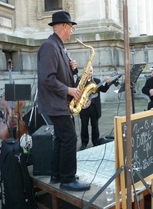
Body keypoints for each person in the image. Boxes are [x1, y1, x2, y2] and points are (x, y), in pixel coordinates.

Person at [37, 11, 90, 192]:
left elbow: (61, 75)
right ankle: (67, 179)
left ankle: (57, 173)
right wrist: (68, 90)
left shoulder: (59, 46)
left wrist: (73, 71)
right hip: (56, 103)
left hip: (59, 103)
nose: (72, 32)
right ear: (65, 27)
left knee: (61, 138)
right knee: (69, 138)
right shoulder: (49, 47)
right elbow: (47, 79)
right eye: (71, 28)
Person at [79, 66, 112, 150]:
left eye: (91, 71)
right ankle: (84, 142)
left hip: (94, 107)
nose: (89, 72)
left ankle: (95, 141)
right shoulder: (80, 81)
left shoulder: (97, 81)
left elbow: (103, 89)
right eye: (88, 71)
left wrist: (108, 83)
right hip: (84, 107)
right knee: (84, 126)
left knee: (95, 126)